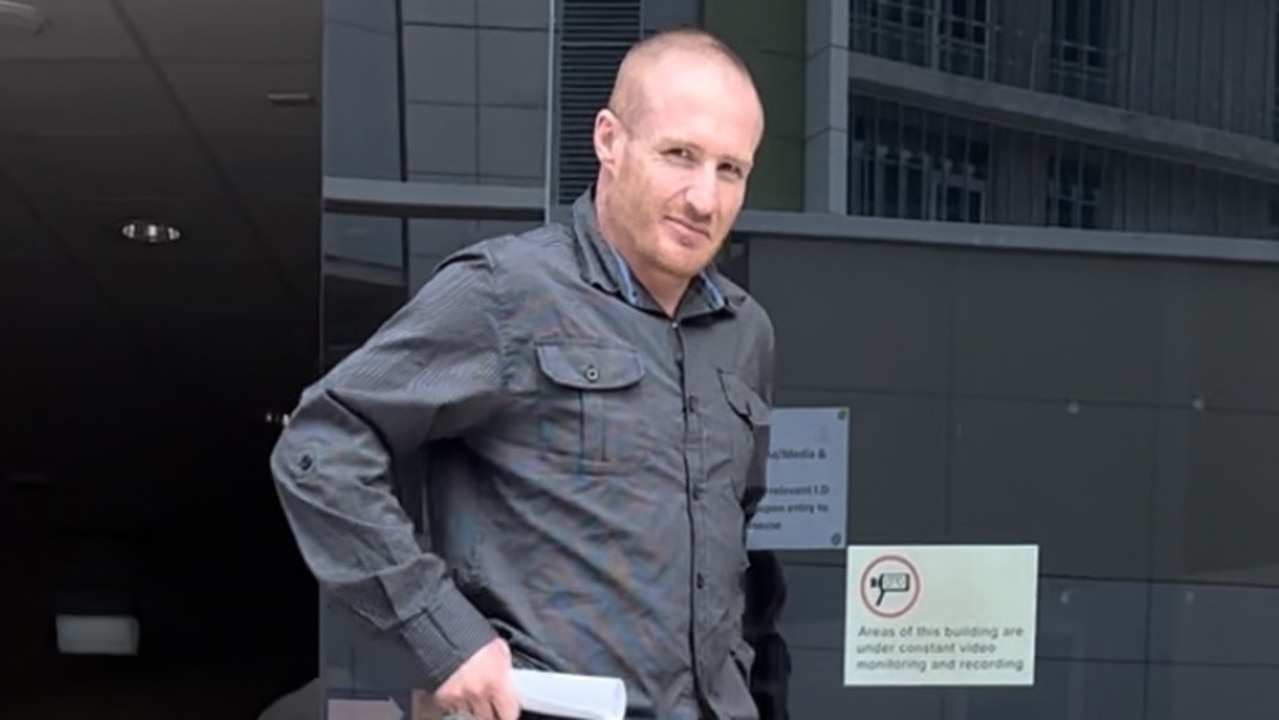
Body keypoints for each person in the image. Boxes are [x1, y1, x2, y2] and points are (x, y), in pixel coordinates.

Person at [269, 25, 774, 720]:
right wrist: (446, 635)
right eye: (679, 155)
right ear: (609, 141)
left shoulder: (745, 334)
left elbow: (729, 541)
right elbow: (319, 448)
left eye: (730, 169)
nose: (703, 198)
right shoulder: (507, 292)